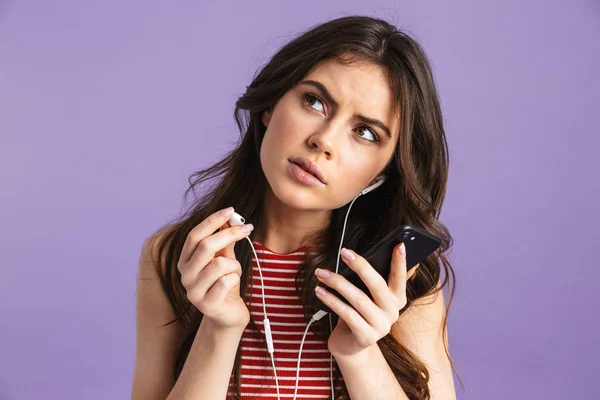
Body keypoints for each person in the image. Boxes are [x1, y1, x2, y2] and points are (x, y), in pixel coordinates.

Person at [131, 15, 459, 400]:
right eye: (315, 101)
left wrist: (358, 353)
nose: (324, 140)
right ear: (270, 106)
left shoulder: (398, 278)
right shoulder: (175, 257)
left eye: (365, 132)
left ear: (382, 174)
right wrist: (219, 328)